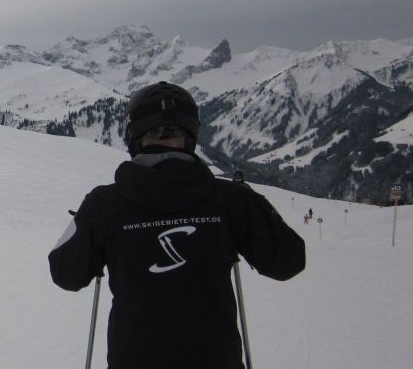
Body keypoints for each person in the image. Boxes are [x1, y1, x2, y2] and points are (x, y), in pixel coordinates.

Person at [48, 82, 306, 368]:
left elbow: (64, 273)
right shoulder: (231, 200)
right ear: (190, 136)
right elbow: (289, 259)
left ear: (133, 136)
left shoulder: (104, 205)